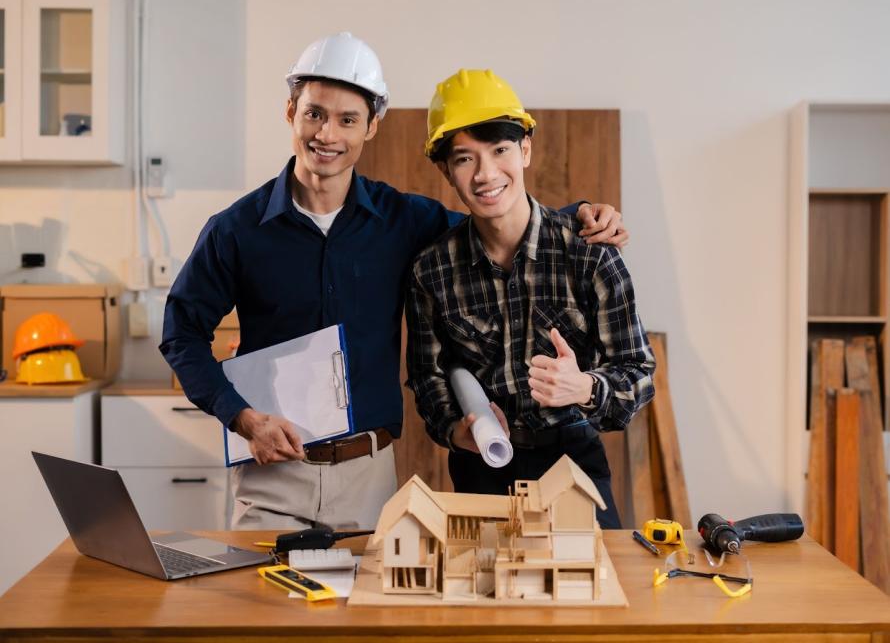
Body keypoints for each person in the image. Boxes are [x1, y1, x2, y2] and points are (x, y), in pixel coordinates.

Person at [160, 34, 628, 531]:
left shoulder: (404, 221)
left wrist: (577, 215)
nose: (327, 134)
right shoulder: (235, 231)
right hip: (271, 476)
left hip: (368, 477)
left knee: (366, 606)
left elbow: (494, 222)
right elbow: (181, 334)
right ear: (291, 111)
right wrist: (241, 417)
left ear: (371, 127)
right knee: (265, 606)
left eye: (347, 120)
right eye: (315, 113)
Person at [406, 69, 655, 528]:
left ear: (525, 150)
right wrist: (457, 431)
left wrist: (583, 387)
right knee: (482, 591)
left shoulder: (590, 255)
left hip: (571, 459)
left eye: (499, 150)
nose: (485, 174)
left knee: (589, 589)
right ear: (445, 170)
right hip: (481, 466)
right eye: (464, 159)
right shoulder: (432, 271)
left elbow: (639, 375)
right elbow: (428, 377)